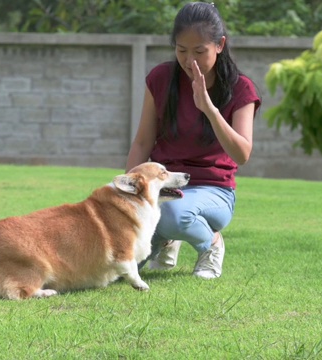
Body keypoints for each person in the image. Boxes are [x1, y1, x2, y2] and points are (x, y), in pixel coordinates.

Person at [126, 1, 261, 279]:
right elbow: (142, 142)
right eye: (181, 50)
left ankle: (211, 244)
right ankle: (166, 240)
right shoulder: (161, 79)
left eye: (200, 51)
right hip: (165, 185)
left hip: (215, 191)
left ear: (220, 45)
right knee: (119, 265)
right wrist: (128, 191)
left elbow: (242, 154)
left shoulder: (240, 88)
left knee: (175, 215)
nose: (190, 61)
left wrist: (210, 110)